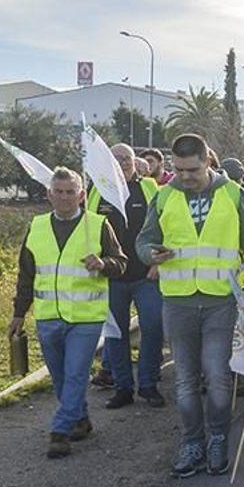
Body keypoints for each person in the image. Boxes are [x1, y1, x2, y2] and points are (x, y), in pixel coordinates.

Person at [136, 133, 244, 477]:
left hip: (220, 299)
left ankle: (218, 438)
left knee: (219, 376)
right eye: (178, 169)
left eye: (191, 169)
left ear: (207, 161)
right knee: (185, 379)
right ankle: (192, 442)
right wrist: (150, 253)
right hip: (177, 300)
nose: (184, 176)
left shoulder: (233, 193)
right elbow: (144, 239)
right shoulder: (164, 196)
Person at [10, 167, 127, 458]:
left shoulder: (98, 225)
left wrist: (103, 263)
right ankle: (81, 419)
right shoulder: (36, 226)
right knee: (61, 376)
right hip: (48, 316)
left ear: (82, 195)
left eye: (70, 192)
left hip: (86, 317)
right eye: (58, 192)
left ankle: (60, 431)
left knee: (75, 374)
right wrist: (18, 313)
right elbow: (26, 275)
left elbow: (121, 262)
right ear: (49, 194)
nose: (64, 198)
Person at [88, 143, 165, 410]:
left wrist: (158, 263)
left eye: (126, 158)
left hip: (146, 275)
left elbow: (164, 227)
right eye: (116, 158)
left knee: (154, 327)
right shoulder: (97, 192)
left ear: (135, 162)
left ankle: (148, 384)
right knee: (115, 334)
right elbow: (89, 232)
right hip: (111, 278)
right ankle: (122, 388)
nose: (121, 162)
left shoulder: (150, 189)